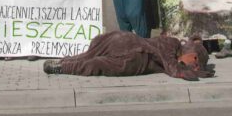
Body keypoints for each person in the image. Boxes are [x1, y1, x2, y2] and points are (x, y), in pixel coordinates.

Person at [43, 31, 214, 80]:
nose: (195, 66)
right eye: (196, 63)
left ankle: (61, 63)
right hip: (133, 54)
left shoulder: (174, 48)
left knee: (89, 57)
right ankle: (62, 66)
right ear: (194, 56)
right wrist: (195, 74)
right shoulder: (172, 44)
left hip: (123, 40)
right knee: (97, 63)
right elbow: (174, 70)